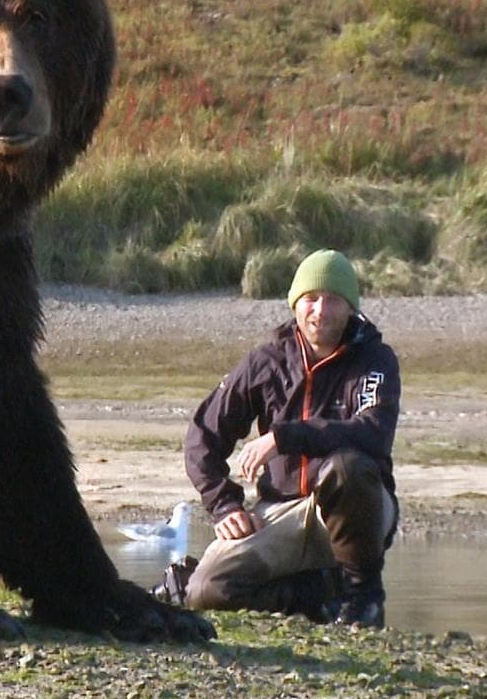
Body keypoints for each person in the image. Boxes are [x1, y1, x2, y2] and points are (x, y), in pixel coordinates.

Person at [167, 249, 400, 627]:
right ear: (295, 305)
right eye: (311, 299)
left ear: (350, 307)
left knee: (349, 468)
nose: (320, 310)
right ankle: (317, 594)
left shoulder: (375, 360)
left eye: (332, 300)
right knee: (206, 591)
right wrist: (223, 504)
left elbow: (373, 432)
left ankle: (362, 598)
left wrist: (283, 437)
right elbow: (202, 436)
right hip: (279, 509)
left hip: (353, 512)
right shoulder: (266, 362)